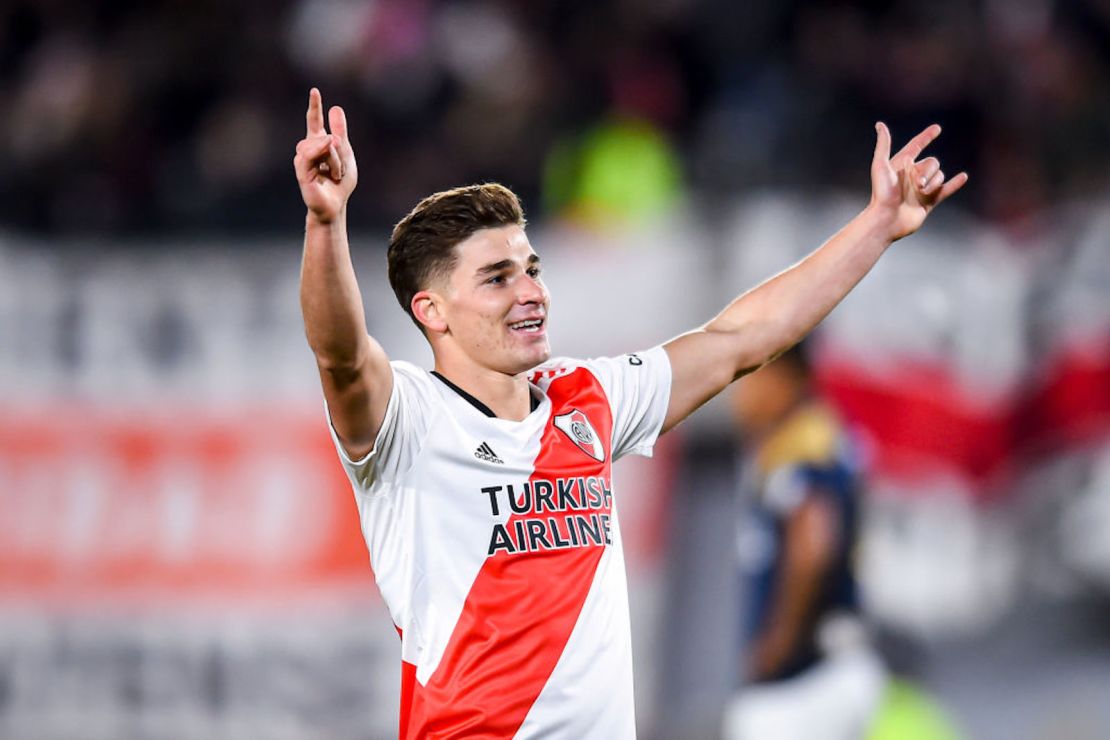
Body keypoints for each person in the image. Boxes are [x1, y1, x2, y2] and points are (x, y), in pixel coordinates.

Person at [293, 86, 967, 738]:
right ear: (431, 311)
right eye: (497, 278)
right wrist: (326, 223)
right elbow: (342, 357)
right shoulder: (409, 421)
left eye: (532, 268)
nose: (531, 292)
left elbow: (740, 340)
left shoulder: (587, 397)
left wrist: (877, 227)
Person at [722, 343, 885, 740]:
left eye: (748, 380)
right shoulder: (816, 436)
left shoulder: (801, 446)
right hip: (833, 670)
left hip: (803, 684)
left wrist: (778, 643)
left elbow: (813, 544)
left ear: (786, 378)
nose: (739, 396)